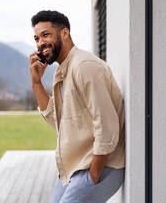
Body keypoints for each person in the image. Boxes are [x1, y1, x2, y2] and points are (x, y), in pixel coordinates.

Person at [28, 10, 125, 203]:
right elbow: (58, 121)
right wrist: (36, 83)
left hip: (99, 165)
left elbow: (106, 122)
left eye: (46, 35)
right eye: (37, 38)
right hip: (74, 168)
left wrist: (94, 172)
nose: (40, 43)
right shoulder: (63, 70)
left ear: (65, 33)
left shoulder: (84, 66)